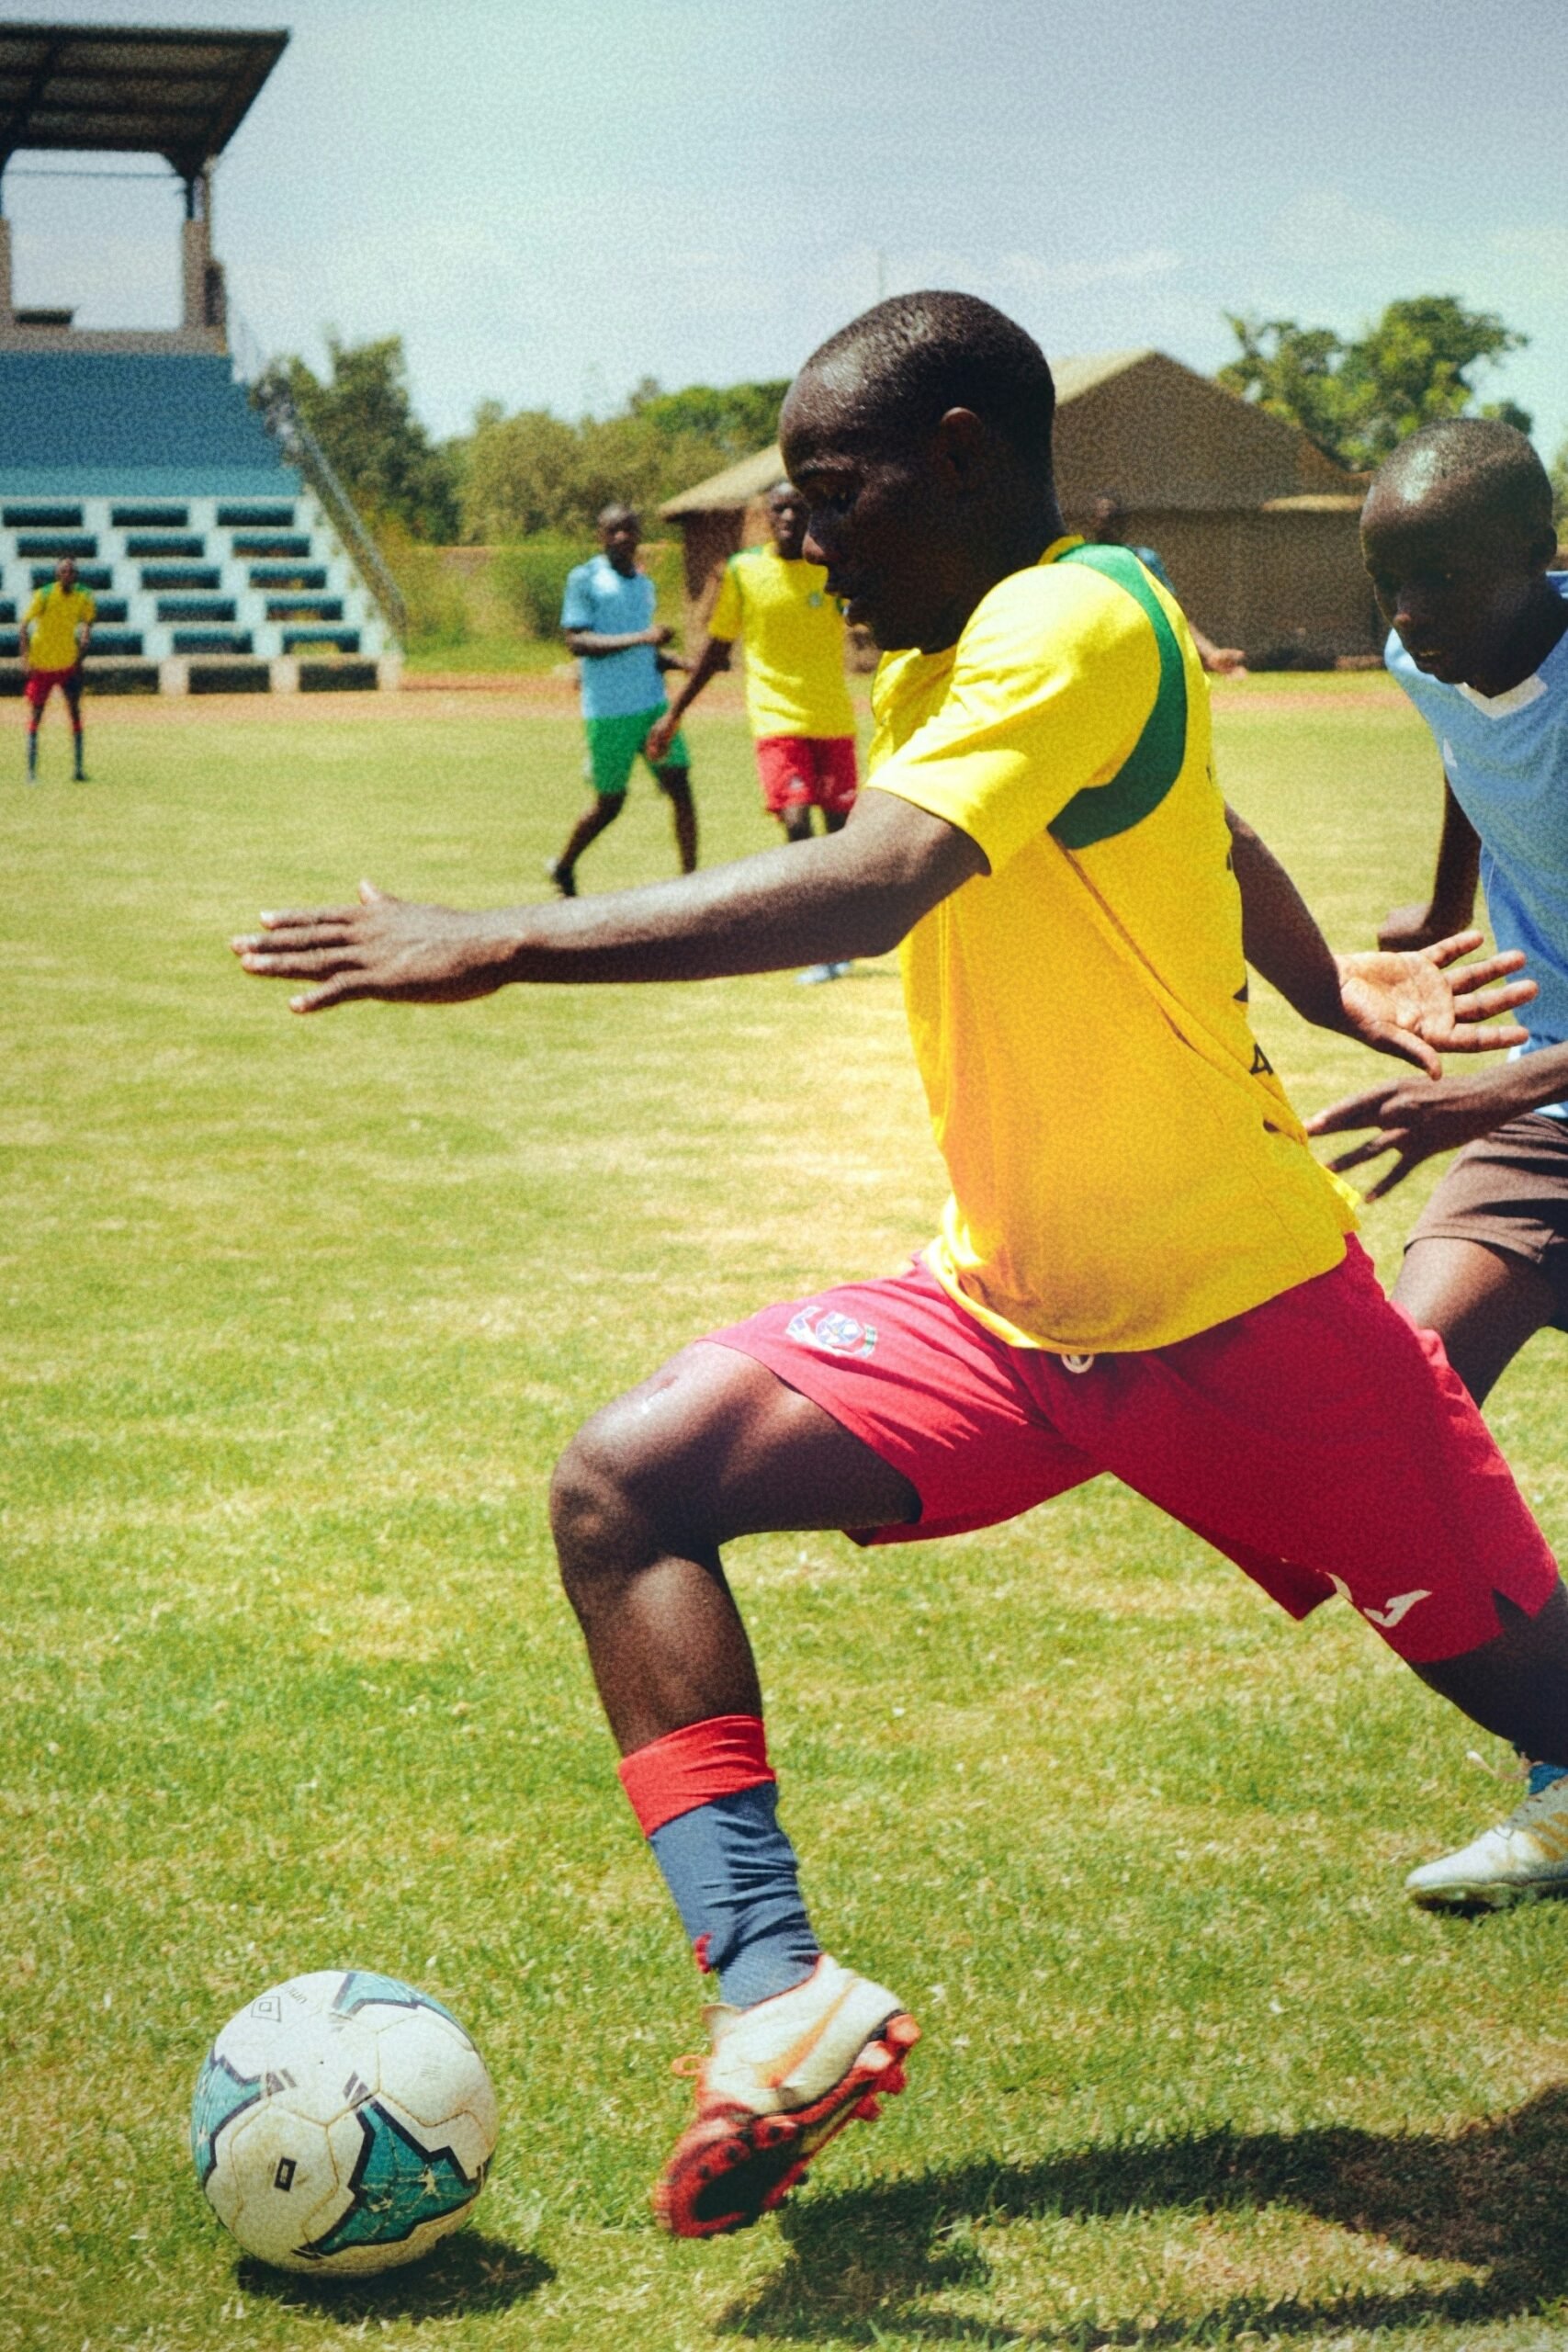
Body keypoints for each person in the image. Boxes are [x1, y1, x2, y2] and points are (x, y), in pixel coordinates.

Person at [234, 293, 1560, 2243]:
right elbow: (1216, 818)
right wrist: (1333, 974)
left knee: (1538, 1694)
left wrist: (502, 938)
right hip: (1011, 1315)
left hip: (1260, 1320)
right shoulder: (959, 657)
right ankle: (780, 1997)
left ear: (955, 456)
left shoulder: (1076, 612)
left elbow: (877, 878)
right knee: (628, 1483)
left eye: (827, 491)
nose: (800, 536)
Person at [1307, 417, 1568, 1908]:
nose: (1403, 620)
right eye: (1382, 583)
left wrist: (1486, 1097)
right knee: (1396, 1405)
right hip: (1537, 1113)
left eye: (1438, 581)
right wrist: (1436, 907)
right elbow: (1471, 755)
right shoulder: (1426, 656)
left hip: (1524, 1096)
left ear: (1534, 559)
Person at [648, 481, 859, 982]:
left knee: (841, 838)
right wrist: (674, 713)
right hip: (776, 721)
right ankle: (816, 944)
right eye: (779, 509)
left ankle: (845, 938)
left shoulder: (831, 567)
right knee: (797, 827)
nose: (789, 517)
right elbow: (715, 652)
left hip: (832, 719)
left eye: (798, 508)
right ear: (766, 517)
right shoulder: (744, 571)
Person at [547, 504, 696, 896]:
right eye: (613, 531)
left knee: (680, 787)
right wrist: (644, 638)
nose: (622, 538)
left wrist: (677, 662)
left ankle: (692, 883)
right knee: (609, 805)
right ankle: (564, 866)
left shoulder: (643, 585)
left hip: (652, 706)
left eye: (629, 530)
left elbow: (642, 654)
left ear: (638, 535)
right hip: (609, 712)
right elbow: (577, 641)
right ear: (600, 536)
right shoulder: (585, 579)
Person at [1086, 492, 1247, 675]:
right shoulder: (1079, 560)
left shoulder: (1143, 559)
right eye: (1101, 518)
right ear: (1091, 521)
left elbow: (1174, 613)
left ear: (1124, 523)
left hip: (1138, 650)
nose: (1105, 524)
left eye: (1112, 518)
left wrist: (1210, 653)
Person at [20, 553, 94, 782]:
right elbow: (23, 626)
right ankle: (31, 772)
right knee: (37, 715)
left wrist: (82, 648)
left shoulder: (84, 595)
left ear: (76, 574)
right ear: (57, 574)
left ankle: (78, 770)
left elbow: (87, 623)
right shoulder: (43, 595)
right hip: (42, 664)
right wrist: (26, 658)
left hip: (67, 664)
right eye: (64, 571)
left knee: (75, 711)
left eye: (71, 571)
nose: (68, 575)